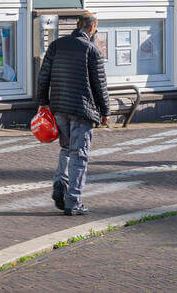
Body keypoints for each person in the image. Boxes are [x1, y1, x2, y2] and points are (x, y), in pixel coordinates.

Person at [37, 12, 109, 216]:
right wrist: (105, 111)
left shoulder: (56, 46)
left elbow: (44, 76)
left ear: (78, 25)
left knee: (66, 148)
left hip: (59, 106)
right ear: (92, 27)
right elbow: (99, 84)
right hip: (82, 109)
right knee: (80, 154)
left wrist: (43, 102)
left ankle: (60, 182)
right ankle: (73, 201)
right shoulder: (91, 49)